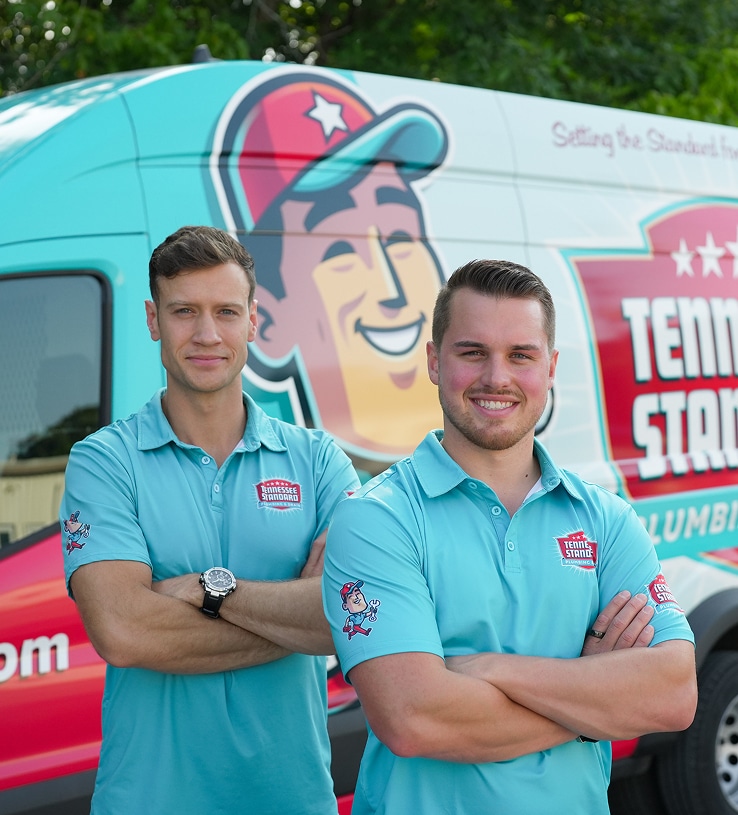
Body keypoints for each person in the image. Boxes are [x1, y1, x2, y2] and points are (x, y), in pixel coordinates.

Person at [322, 259, 697, 814]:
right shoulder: (377, 518)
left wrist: (489, 669)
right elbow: (414, 719)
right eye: (472, 352)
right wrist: (595, 704)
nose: (496, 378)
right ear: (433, 361)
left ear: (550, 368)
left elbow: (673, 696)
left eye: (521, 355)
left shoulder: (607, 519)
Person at [60, 225, 359, 814]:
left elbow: (344, 618)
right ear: (152, 320)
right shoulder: (102, 462)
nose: (206, 334)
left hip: (290, 799)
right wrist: (291, 612)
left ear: (253, 320)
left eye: (226, 311)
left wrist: (205, 591)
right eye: (183, 312)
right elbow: (123, 632)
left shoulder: (319, 460)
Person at [212, 70, 450, 461]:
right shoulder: (301, 486)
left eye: (401, 240)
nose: (392, 291)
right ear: (267, 321)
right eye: (339, 253)